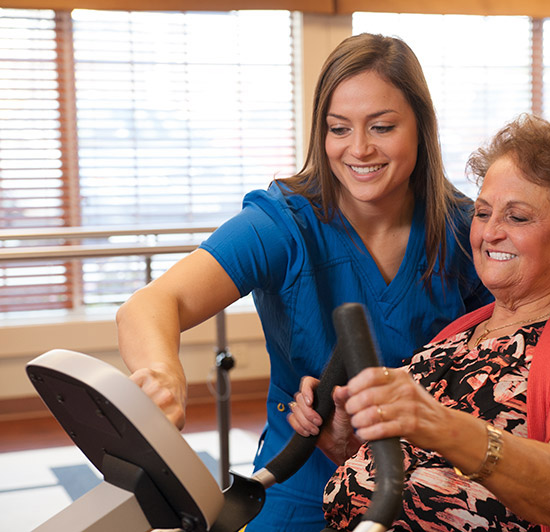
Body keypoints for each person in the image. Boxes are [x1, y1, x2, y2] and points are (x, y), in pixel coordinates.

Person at [115, 33, 493, 531]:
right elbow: (153, 302)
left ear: (421, 128)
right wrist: (163, 373)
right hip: (299, 479)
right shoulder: (285, 225)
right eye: (339, 128)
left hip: (428, 483)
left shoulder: (466, 232)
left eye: (382, 127)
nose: (359, 149)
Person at [290, 114, 550, 532]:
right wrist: (346, 435)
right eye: (484, 213)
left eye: (517, 218)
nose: (490, 233)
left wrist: (439, 423)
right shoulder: (460, 332)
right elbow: (413, 472)